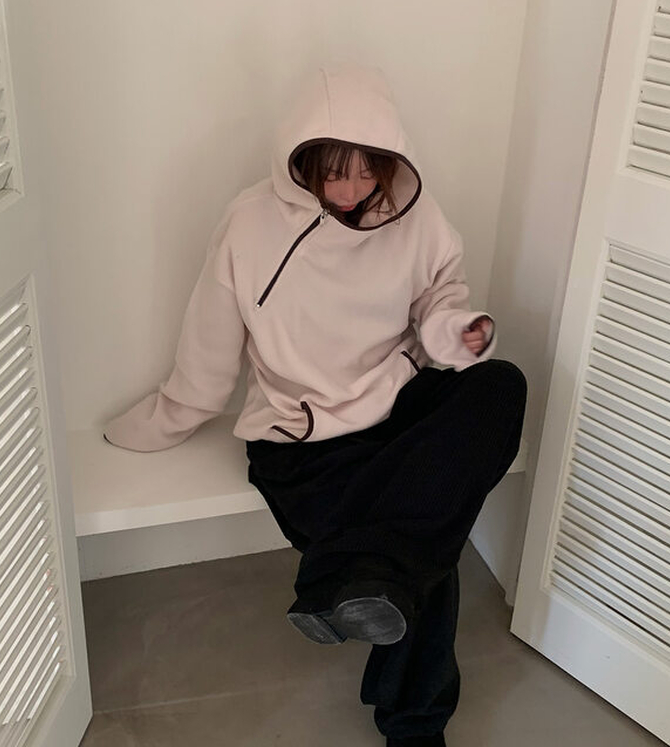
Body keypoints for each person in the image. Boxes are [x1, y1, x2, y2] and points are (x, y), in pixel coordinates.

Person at [104, 62, 527, 747]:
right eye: (334, 173)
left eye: (366, 172)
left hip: (397, 410)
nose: (352, 191)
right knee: (425, 547)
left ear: (389, 161)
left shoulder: (417, 217)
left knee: (500, 383)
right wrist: (171, 414)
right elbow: (210, 342)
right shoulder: (249, 223)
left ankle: (346, 578)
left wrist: (460, 332)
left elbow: (440, 301)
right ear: (300, 161)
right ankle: (413, 721)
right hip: (302, 443)